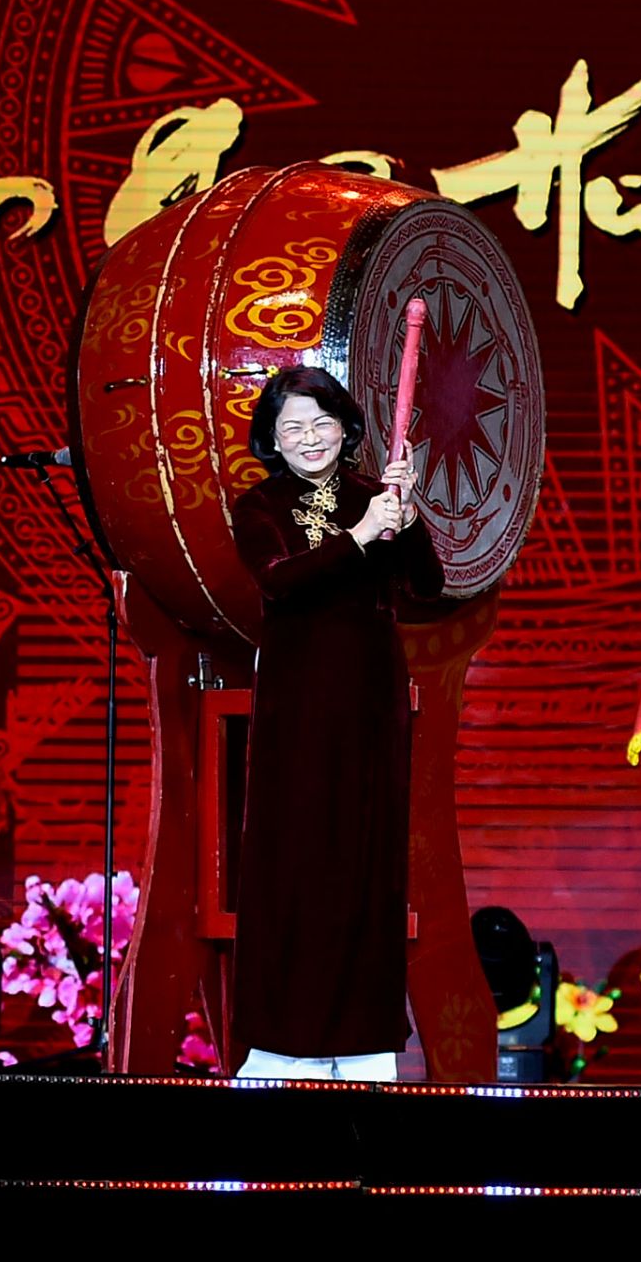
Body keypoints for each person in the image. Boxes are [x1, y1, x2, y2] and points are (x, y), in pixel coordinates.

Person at [227, 365, 443, 1081]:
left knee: (366, 862)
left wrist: (407, 518)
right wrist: (361, 534)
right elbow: (279, 581)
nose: (309, 438)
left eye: (322, 422)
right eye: (292, 427)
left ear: (346, 428)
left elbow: (428, 586)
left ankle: (364, 1042)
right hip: (297, 704)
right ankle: (278, 1040)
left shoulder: (374, 494)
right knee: (293, 859)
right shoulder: (258, 506)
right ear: (272, 439)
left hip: (370, 700)